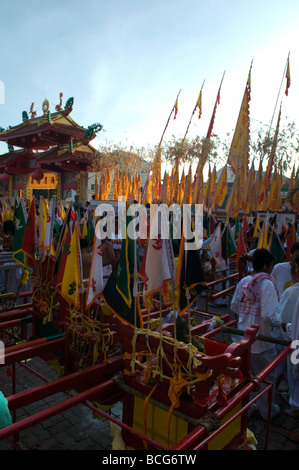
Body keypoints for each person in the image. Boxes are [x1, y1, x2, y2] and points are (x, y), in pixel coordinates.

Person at [233, 248, 282, 419]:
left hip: (243, 339)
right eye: (271, 265)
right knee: (268, 378)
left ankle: (251, 405)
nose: (271, 269)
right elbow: (269, 315)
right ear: (266, 265)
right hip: (261, 341)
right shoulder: (267, 283)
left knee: (248, 376)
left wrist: (245, 317)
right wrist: (281, 323)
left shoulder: (244, 281)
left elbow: (234, 306)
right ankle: (267, 411)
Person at [282, 296, 299, 417]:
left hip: (297, 344)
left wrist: (288, 328)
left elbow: (296, 327)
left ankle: (295, 405)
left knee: (296, 373)